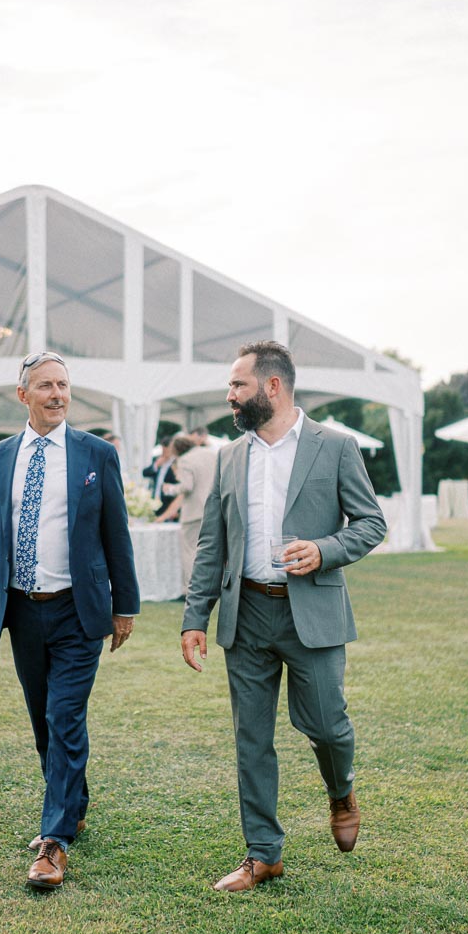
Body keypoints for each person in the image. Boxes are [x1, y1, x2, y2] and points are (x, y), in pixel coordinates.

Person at [181, 340, 386, 892]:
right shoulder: (229, 456)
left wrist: (324, 549)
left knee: (326, 725)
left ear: (272, 387)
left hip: (311, 614)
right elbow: (211, 544)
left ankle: (340, 791)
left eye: (237, 385)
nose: (229, 396)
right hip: (245, 614)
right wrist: (194, 616)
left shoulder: (335, 447)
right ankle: (263, 853)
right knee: (252, 737)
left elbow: (371, 523)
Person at [0, 351, 140, 891]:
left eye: (63, 385)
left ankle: (54, 841)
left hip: (77, 609)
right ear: (23, 395)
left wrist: (125, 604)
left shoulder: (96, 454)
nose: (57, 394)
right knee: (44, 720)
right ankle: (75, 802)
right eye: (45, 386)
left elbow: (117, 534)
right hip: (20, 609)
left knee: (65, 716)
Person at [162, 433, 219, 589]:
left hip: (194, 512)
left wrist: (170, 489)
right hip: (214, 509)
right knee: (212, 551)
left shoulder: (185, 460)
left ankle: (191, 588)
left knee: (190, 551)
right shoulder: (211, 453)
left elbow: (187, 486)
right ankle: (213, 585)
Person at [142, 436, 179, 520]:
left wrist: (176, 509)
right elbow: (145, 473)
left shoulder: (178, 462)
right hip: (155, 503)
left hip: (169, 503)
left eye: (167, 449)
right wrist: (156, 465)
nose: (164, 452)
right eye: (163, 449)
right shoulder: (158, 460)